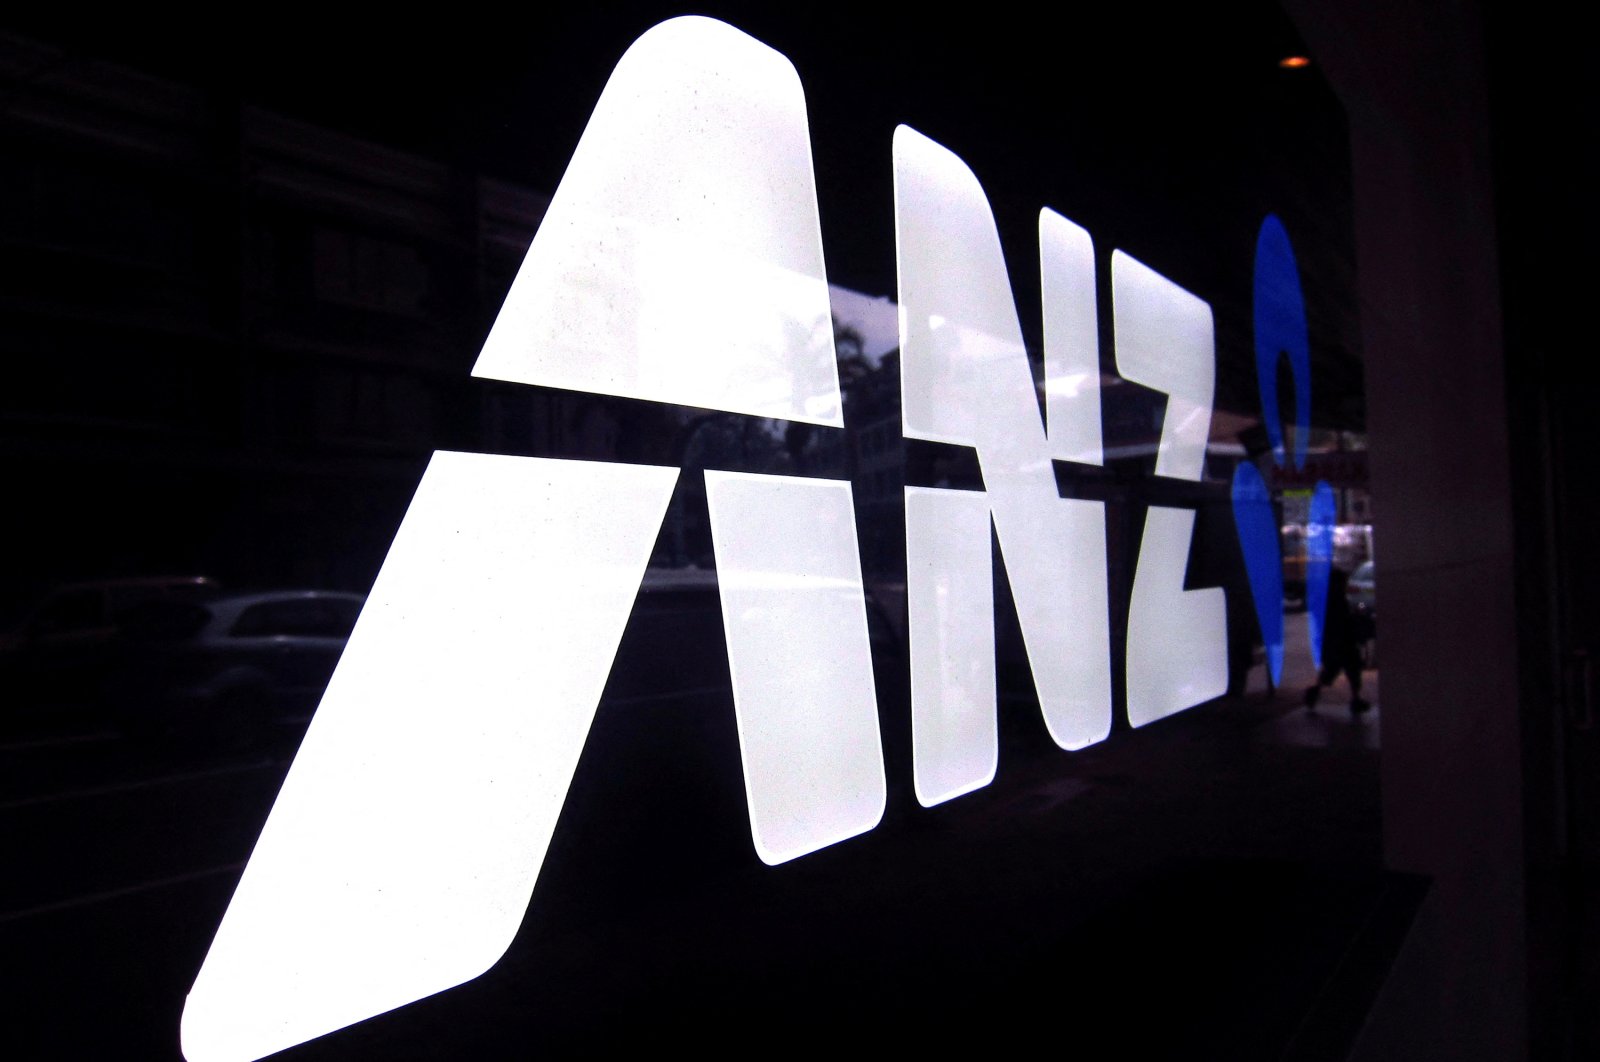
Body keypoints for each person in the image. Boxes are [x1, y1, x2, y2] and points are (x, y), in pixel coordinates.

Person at [1304, 566, 1370, 714]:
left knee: (1343, 671)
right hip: (1339, 642)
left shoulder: (1334, 599)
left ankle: (1353, 698)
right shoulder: (1334, 601)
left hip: (1339, 642)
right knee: (1341, 671)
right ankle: (1352, 699)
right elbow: (1340, 621)